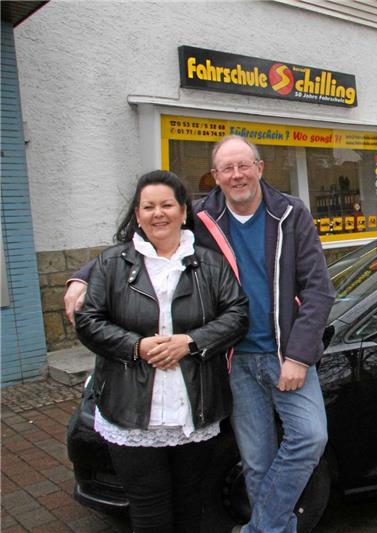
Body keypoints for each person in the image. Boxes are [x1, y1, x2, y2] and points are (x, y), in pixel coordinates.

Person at [66, 135, 336, 533]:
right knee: (256, 461)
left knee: (310, 438)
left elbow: (318, 289)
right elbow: (144, 236)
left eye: (244, 165)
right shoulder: (203, 216)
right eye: (226, 168)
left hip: (284, 355)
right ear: (216, 176)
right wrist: (81, 277)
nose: (236, 175)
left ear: (260, 168)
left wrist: (298, 357)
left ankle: (260, 527)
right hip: (232, 359)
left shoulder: (291, 214)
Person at [74, 170, 249, 533]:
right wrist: (135, 346)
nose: (159, 213)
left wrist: (192, 341)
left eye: (167, 204)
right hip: (131, 410)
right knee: (149, 514)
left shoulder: (210, 263)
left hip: (193, 409)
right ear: (137, 215)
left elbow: (238, 314)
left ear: (184, 211)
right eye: (148, 206)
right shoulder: (111, 263)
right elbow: (89, 321)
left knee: (190, 506)